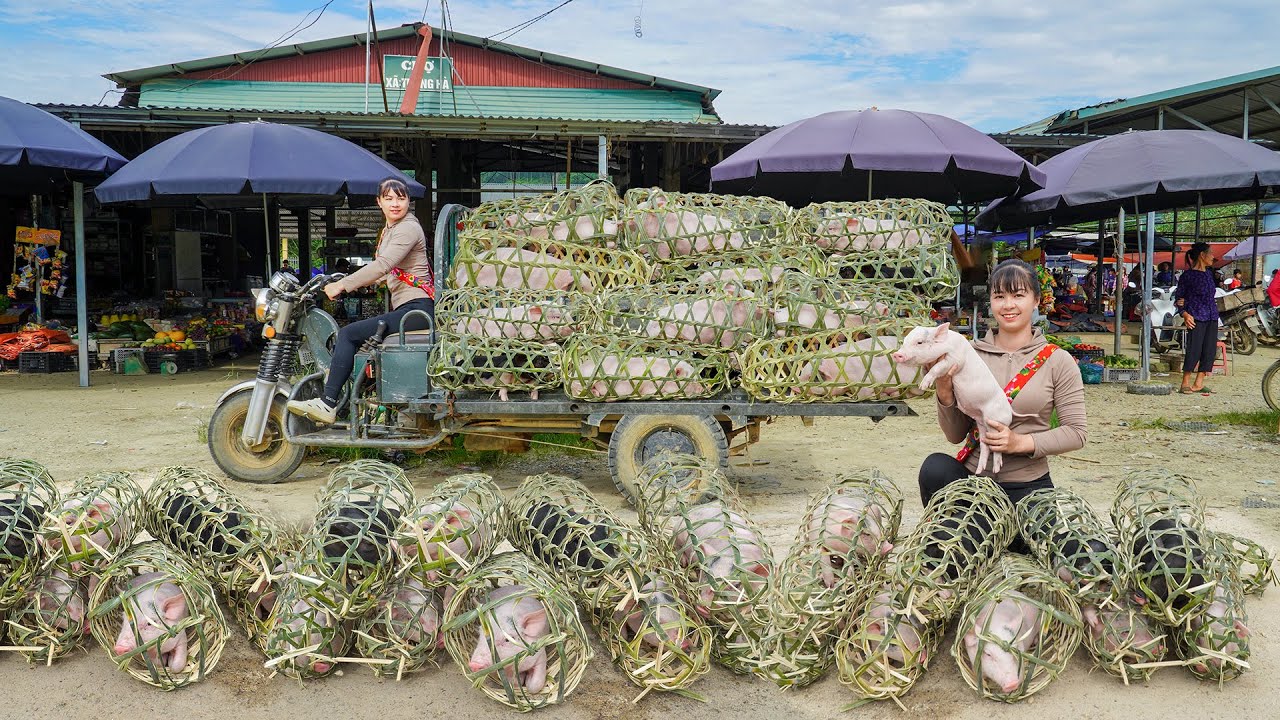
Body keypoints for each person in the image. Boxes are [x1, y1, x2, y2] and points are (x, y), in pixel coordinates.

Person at [917, 259, 1088, 548]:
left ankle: (989, 535)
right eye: (999, 296)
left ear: (1036, 300)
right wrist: (944, 391)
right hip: (974, 485)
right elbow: (955, 436)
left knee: (1068, 549)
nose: (1008, 305)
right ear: (991, 303)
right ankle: (980, 532)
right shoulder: (968, 354)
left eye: (1018, 295)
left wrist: (1020, 443)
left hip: (1028, 488)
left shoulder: (1058, 360)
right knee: (935, 468)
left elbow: (1076, 433)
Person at [287, 177, 433, 424]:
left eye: (401, 198)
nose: (395, 204)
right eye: (389, 198)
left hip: (417, 309)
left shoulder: (408, 228)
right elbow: (389, 272)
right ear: (379, 202)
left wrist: (343, 285)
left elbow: (383, 265)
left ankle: (328, 403)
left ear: (409, 201)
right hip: (410, 307)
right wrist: (349, 280)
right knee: (357, 337)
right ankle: (345, 398)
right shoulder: (391, 229)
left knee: (348, 334)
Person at [1172, 242, 1219, 395]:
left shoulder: (1209, 274)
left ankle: (1199, 383)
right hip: (1196, 316)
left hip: (1212, 316)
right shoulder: (1188, 276)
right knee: (1194, 349)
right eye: (1210, 253)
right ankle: (1185, 382)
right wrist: (1184, 314)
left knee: (1209, 350)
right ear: (1202, 255)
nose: (1213, 256)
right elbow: (1178, 299)